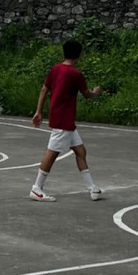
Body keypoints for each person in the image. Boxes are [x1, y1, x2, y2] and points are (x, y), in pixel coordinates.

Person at [29, 40, 103, 202]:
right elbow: (87, 94)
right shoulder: (76, 74)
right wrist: (96, 92)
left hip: (61, 117)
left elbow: (44, 89)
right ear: (78, 55)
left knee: (80, 151)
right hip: (64, 119)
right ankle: (36, 188)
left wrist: (38, 111)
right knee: (52, 152)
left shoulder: (55, 69)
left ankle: (92, 187)